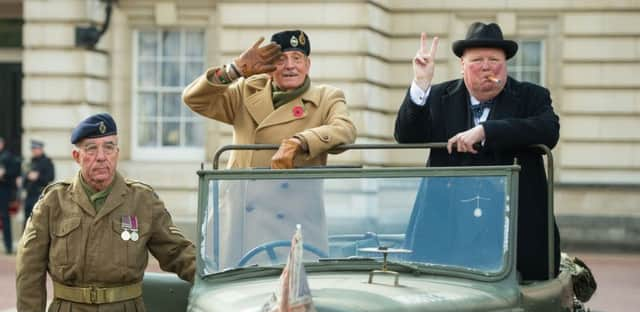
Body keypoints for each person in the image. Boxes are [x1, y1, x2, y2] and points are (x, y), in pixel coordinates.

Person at [16, 113, 196, 312]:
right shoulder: (53, 202)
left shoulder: (141, 201)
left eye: (108, 147)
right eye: (91, 149)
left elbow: (179, 254)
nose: (101, 156)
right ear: (77, 157)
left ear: (117, 153)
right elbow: (29, 273)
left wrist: (219, 276)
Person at [394, 22, 560, 281]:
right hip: (448, 230)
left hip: (513, 232)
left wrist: (486, 131)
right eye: (477, 60)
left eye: (494, 59)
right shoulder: (438, 96)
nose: (486, 67)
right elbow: (406, 136)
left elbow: (549, 131)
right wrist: (421, 82)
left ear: (506, 65)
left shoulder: (531, 97)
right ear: (462, 65)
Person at [183, 30, 357, 268]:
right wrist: (234, 70)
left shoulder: (326, 98)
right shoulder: (247, 91)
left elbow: (345, 130)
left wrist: (300, 142)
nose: (289, 66)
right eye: (281, 59)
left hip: (293, 227)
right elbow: (195, 100)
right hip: (238, 224)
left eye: (297, 58)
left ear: (308, 64)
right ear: (268, 66)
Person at [22, 139, 55, 227]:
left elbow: (51, 177)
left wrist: (38, 177)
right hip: (29, 194)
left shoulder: (47, 162)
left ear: (40, 149)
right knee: (27, 220)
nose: (33, 151)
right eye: (32, 149)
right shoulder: (31, 161)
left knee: (38, 220)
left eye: (35, 149)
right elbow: (25, 176)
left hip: (39, 194)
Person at [0, 136, 20, 254]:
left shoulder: (8, 157)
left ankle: (8, 246)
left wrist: (4, 174)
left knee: (5, 217)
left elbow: (15, 171)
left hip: (3, 190)